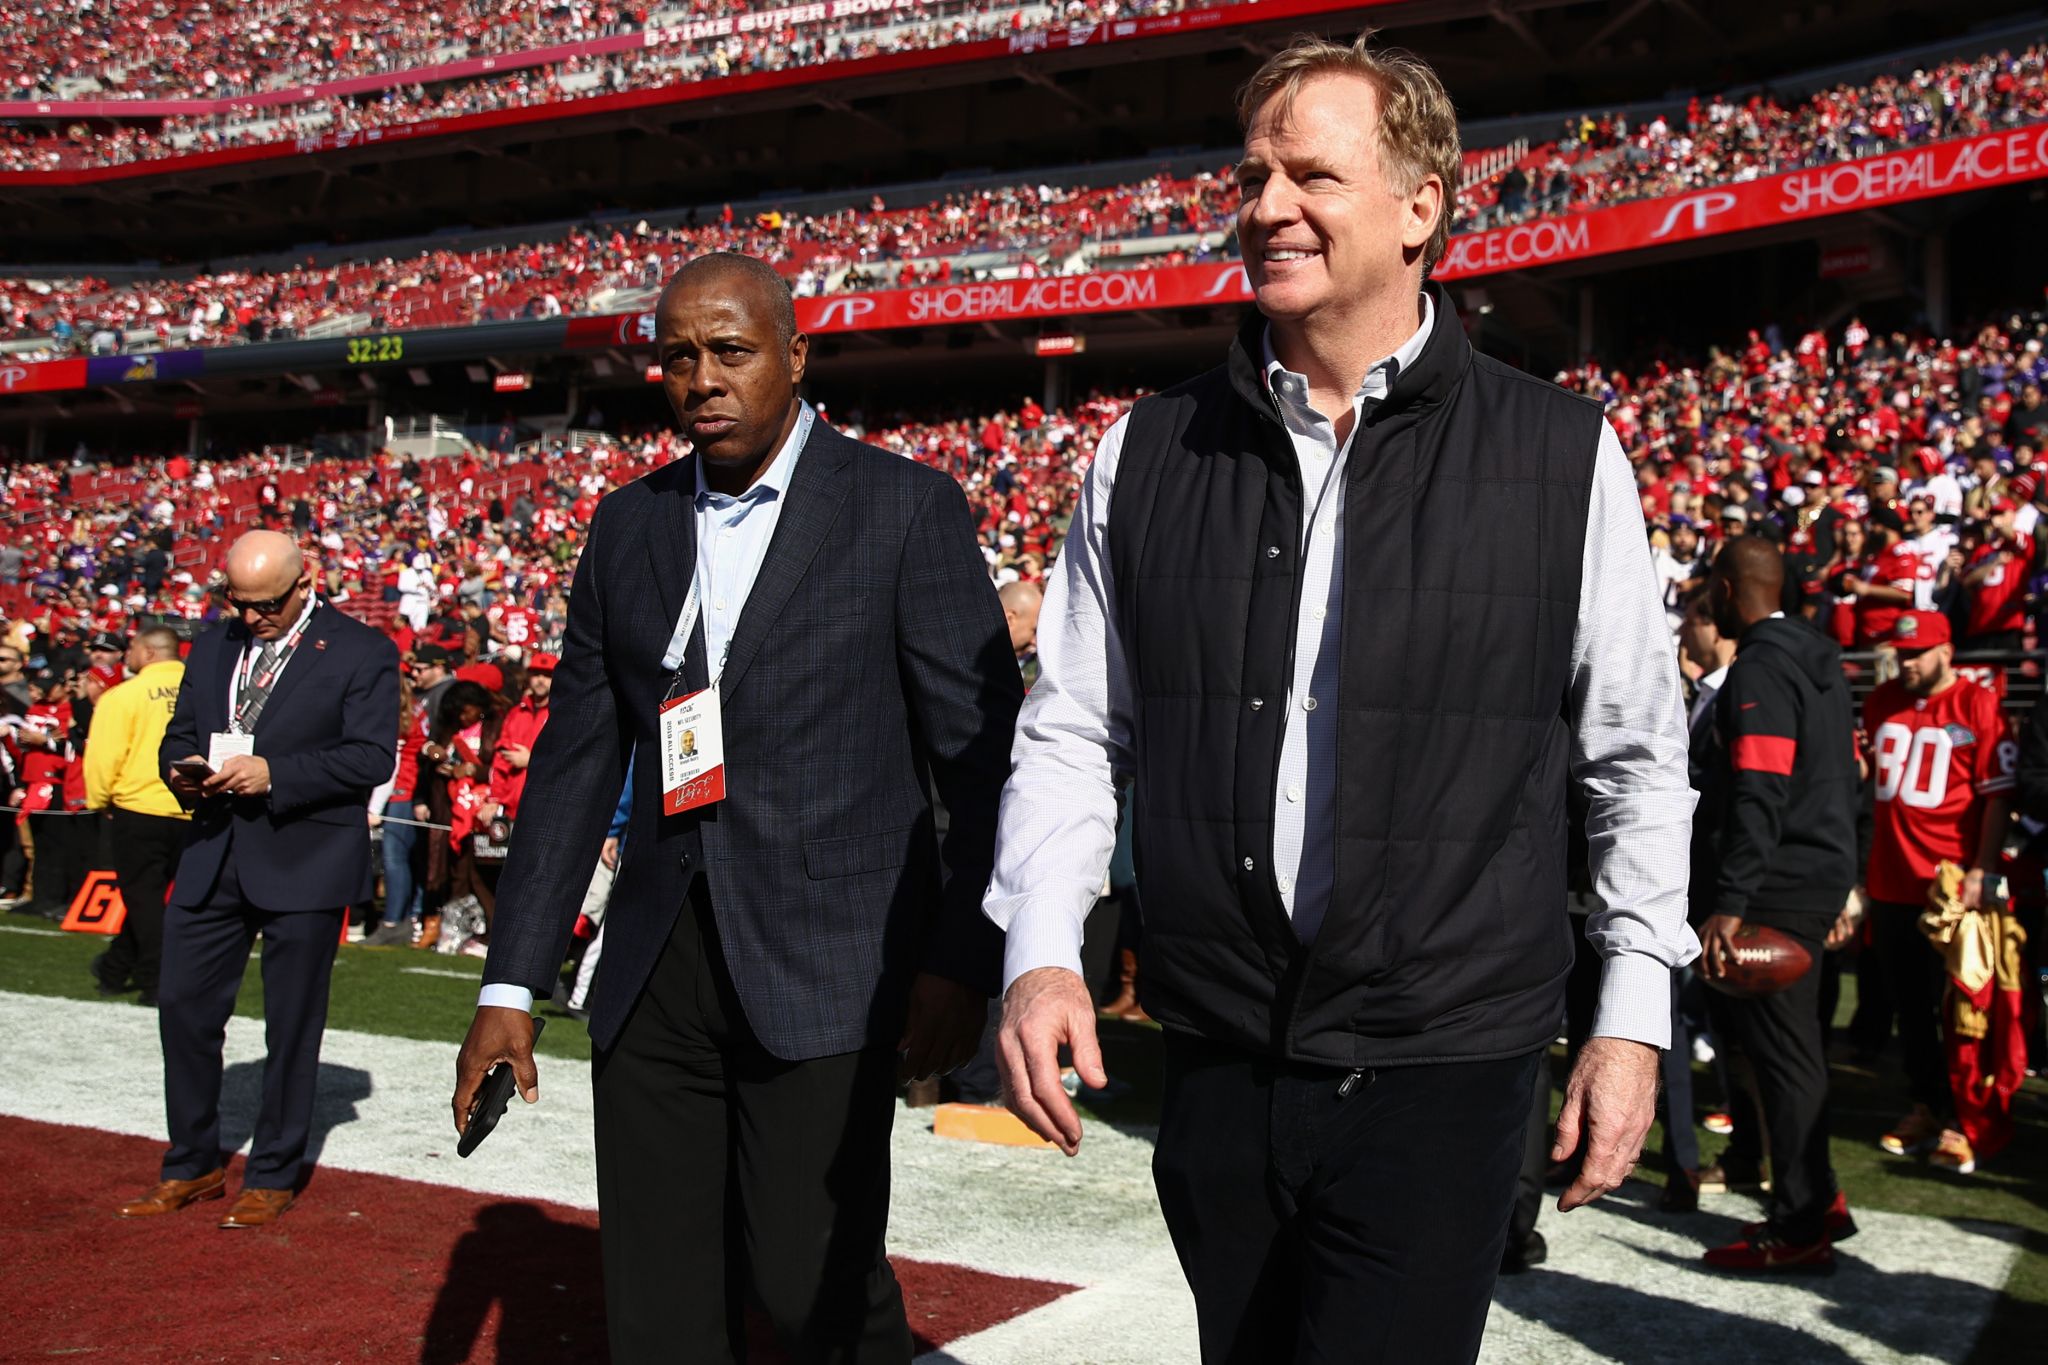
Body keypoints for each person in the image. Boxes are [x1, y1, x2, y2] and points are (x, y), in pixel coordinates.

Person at [984, 36, 1696, 1364]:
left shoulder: (1564, 454)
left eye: (1313, 171)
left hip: (1446, 1059)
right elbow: (1077, 723)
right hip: (1217, 1052)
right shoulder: (1142, 451)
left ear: (1424, 202)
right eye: (1251, 172)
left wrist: (1633, 1013)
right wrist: (1038, 947)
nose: (1265, 204)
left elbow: (1637, 760)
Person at [451, 253, 1021, 1363]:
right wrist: (511, 982)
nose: (701, 377)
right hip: (657, 967)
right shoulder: (628, 526)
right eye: (677, 356)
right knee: (659, 1305)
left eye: (730, 351)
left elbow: (978, 758)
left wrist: (961, 961)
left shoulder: (902, 508)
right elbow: (573, 765)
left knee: (814, 1293)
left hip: (834, 970)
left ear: (794, 358)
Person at [117, 531, 399, 1229]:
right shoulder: (212, 644)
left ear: (307, 584)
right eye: (237, 602)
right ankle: (192, 1161)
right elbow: (179, 731)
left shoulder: (363, 649)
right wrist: (183, 767)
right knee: (182, 1007)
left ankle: (272, 1170)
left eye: (266, 604)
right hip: (213, 845)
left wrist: (277, 773)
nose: (250, 617)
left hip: (305, 857)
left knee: (291, 1025)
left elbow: (370, 757)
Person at [1695, 538, 1859, 1272]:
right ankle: (1817, 1195)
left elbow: (1760, 786)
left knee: (1784, 1058)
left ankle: (1797, 1224)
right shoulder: (1816, 657)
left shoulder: (1761, 665)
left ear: (1731, 587)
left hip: (1775, 881)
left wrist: (1730, 900)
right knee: (1796, 1054)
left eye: (1711, 587)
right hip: (1813, 869)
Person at [1862, 608, 2015, 1177]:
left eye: (1918, 653)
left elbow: (1995, 794)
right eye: (1901, 654)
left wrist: (1982, 868)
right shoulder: (1882, 702)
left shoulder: (1975, 705)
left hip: (1949, 888)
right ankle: (1925, 1105)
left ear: (1947, 650)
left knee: (1959, 1010)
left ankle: (1961, 1119)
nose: (1907, 663)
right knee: (1910, 1008)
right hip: (1890, 878)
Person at [82, 628, 189, 1002]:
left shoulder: (124, 696)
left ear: (146, 652)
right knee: (153, 900)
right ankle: (114, 967)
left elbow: (104, 755)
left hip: (139, 806)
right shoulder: (203, 693)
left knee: (144, 899)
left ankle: (156, 978)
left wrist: (100, 800)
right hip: (192, 807)